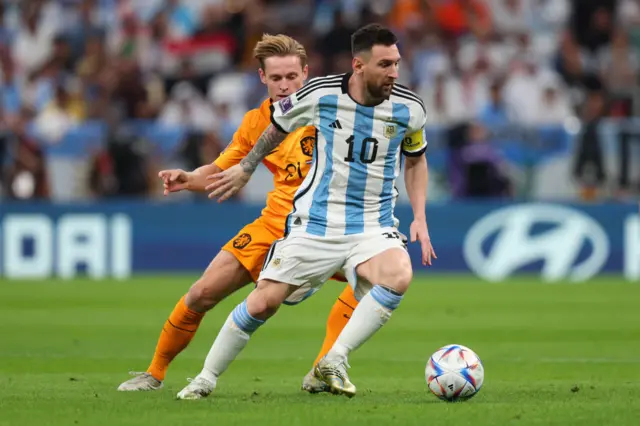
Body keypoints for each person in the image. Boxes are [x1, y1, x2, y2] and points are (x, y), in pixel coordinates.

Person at [177, 23, 436, 400]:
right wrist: (247, 168)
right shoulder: (320, 93)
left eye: (396, 63)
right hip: (314, 224)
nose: (394, 73)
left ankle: (334, 359)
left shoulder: (410, 109)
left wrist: (420, 217)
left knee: (398, 273)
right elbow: (276, 127)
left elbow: (416, 160)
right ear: (359, 65)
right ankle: (205, 377)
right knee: (264, 302)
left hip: (372, 226)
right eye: (385, 65)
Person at [117, 34, 365, 394]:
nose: (285, 85)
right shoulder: (256, 122)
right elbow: (221, 171)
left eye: (292, 77)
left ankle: (322, 367)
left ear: (306, 74)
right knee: (201, 293)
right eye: (276, 78)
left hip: (329, 225)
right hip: (275, 223)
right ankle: (154, 374)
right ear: (262, 78)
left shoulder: (334, 111)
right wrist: (188, 179)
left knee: (374, 278)